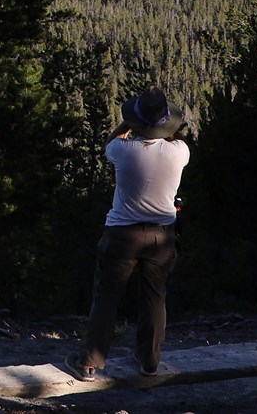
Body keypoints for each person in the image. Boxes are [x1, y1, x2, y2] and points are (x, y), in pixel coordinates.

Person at [66, 88, 190, 382]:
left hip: (122, 234)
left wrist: (127, 125)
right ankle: (149, 361)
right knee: (154, 298)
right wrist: (165, 128)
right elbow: (171, 138)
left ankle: (89, 363)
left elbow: (112, 141)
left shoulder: (122, 150)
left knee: (107, 297)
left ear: (135, 122)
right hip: (162, 235)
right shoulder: (180, 152)